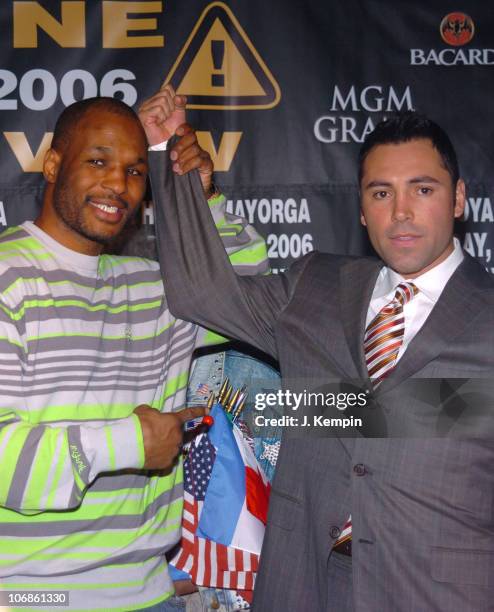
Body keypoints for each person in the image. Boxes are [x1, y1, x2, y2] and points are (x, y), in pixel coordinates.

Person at [151, 111, 494, 611]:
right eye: (381, 193)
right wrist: (171, 163)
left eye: (422, 189)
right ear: (360, 207)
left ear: (459, 198)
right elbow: (199, 294)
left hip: (437, 591)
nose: (400, 211)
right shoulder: (315, 284)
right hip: (303, 583)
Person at [0, 85, 268, 611]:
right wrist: (125, 443)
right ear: (53, 164)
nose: (117, 184)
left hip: (151, 595)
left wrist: (203, 196)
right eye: (98, 161)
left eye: (134, 170)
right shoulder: (9, 277)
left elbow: (249, 289)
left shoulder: (154, 288)